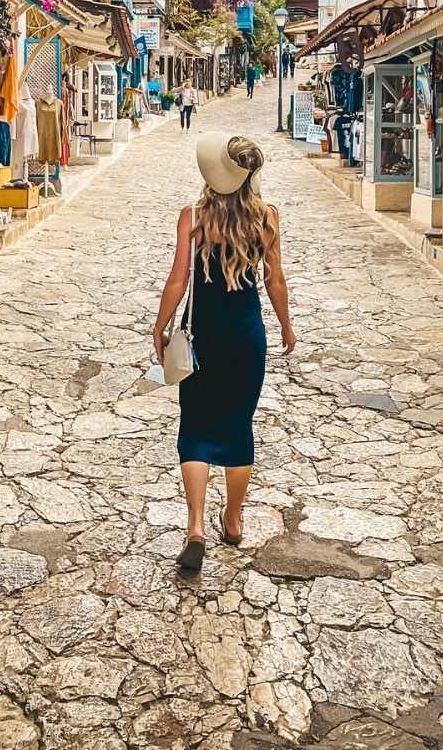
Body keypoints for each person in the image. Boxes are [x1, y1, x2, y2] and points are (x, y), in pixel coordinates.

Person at [153, 132, 296, 573]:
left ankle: (195, 528)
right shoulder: (267, 218)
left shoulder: (193, 217)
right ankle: (232, 521)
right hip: (247, 336)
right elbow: (275, 281)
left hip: (203, 336)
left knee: (195, 427)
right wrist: (286, 327)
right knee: (238, 427)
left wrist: (160, 326)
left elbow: (178, 279)